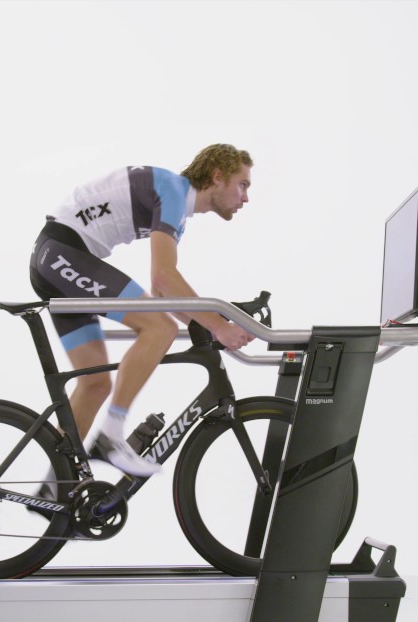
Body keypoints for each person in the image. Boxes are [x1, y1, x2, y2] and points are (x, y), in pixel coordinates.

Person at [29, 144, 257, 478]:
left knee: (95, 384)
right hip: (62, 254)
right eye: (242, 185)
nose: (246, 197)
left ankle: (54, 488)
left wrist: (209, 326)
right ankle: (110, 437)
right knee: (160, 328)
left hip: (56, 260)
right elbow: (164, 279)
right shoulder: (174, 192)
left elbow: (163, 294)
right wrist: (218, 325)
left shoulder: (175, 200)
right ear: (217, 176)